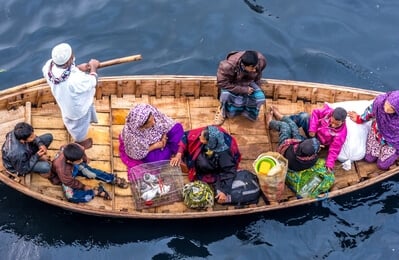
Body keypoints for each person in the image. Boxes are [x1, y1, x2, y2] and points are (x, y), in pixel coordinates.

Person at [42, 42, 100, 148]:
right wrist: (93, 67)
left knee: (68, 117)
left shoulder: (48, 67)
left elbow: (66, 72)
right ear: (69, 60)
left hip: (64, 103)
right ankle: (80, 142)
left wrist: (77, 68)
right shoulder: (76, 79)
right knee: (80, 127)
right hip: (77, 110)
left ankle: (70, 128)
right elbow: (93, 81)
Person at [170, 126, 241, 204]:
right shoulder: (210, 131)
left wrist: (224, 192)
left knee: (203, 163)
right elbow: (186, 136)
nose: (199, 136)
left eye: (202, 138)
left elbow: (229, 171)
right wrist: (179, 154)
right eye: (201, 135)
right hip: (210, 153)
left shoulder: (223, 153)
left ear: (210, 142)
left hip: (218, 162)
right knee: (197, 158)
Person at [51, 143, 128, 203]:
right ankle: (95, 192)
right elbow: (69, 182)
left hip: (74, 166)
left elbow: (82, 152)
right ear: (69, 161)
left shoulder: (76, 148)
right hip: (67, 176)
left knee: (91, 173)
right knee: (71, 197)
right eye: (79, 160)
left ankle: (112, 178)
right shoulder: (62, 169)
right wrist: (83, 186)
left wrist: (84, 159)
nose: (81, 161)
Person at [119, 104, 184, 173]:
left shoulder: (150, 111)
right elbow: (138, 153)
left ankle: (172, 152)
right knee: (158, 161)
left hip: (161, 138)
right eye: (150, 123)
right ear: (142, 126)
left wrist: (164, 135)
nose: (154, 123)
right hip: (149, 147)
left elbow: (164, 122)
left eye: (153, 119)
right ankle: (173, 151)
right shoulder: (131, 136)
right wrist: (155, 146)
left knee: (178, 129)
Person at [348, 91, 399, 170]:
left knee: (382, 165)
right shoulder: (380, 102)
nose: (386, 108)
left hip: (392, 142)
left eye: (392, 108)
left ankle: (395, 153)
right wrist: (359, 119)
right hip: (377, 134)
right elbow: (369, 112)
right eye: (387, 103)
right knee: (369, 158)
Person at [289, 104, 348, 172]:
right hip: (313, 132)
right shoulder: (327, 112)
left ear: (343, 122)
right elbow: (315, 112)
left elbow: (335, 149)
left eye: (337, 124)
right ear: (331, 115)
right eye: (332, 122)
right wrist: (312, 129)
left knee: (302, 145)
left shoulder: (341, 134)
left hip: (319, 142)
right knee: (304, 116)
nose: (333, 125)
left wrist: (329, 164)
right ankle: (288, 121)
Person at [214, 50, 267, 125]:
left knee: (260, 97)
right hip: (233, 83)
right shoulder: (227, 66)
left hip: (249, 81)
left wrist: (257, 87)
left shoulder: (261, 60)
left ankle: (247, 113)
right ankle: (223, 111)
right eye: (252, 68)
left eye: (255, 67)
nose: (255, 70)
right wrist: (244, 90)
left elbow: (258, 76)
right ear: (245, 66)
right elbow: (222, 83)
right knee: (225, 96)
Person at [266, 106, 321, 171]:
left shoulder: (292, 154)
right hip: (295, 151)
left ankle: (270, 123)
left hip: (285, 149)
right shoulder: (314, 158)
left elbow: (289, 143)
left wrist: (294, 141)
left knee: (285, 126)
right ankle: (281, 117)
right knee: (293, 126)